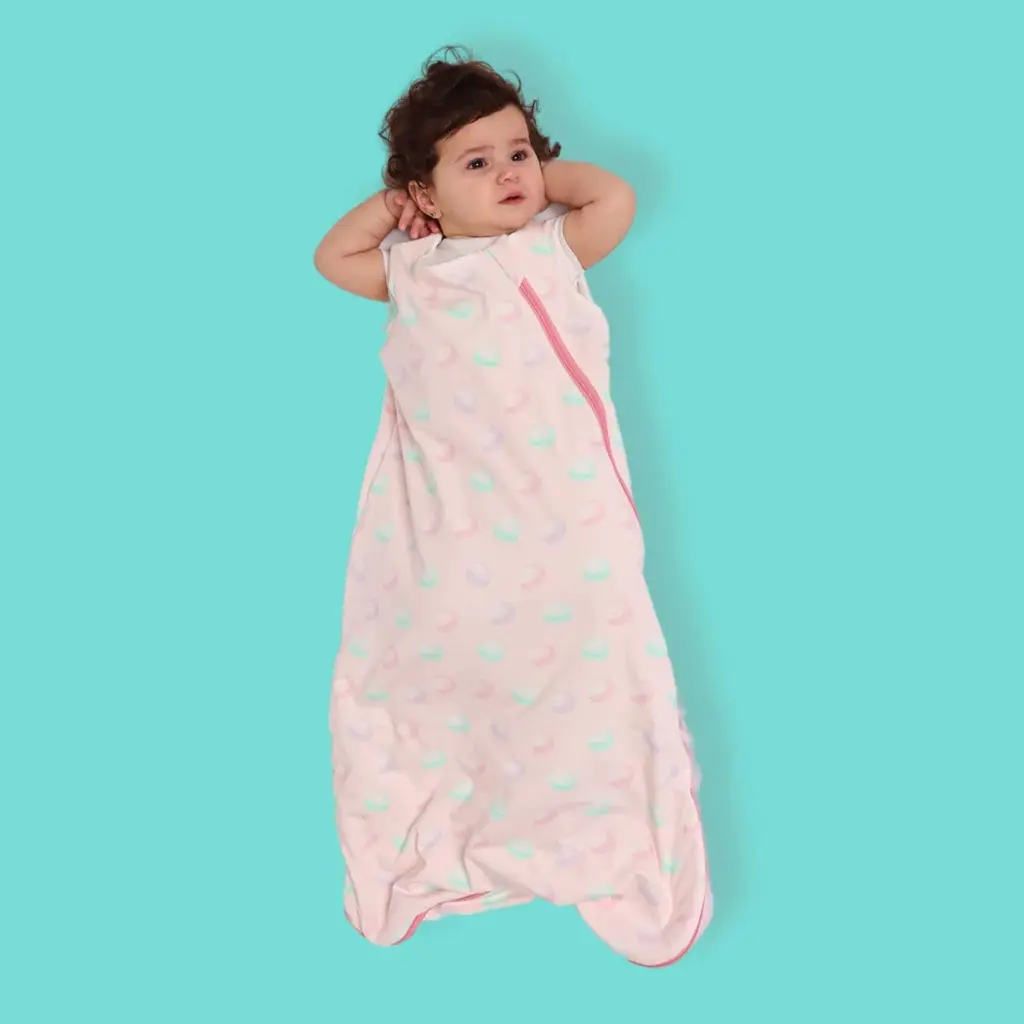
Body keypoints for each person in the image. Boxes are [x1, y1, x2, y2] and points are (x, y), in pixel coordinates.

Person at [314, 46, 710, 967]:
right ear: (426, 190)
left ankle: (586, 811)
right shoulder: (413, 269)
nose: (508, 174)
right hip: (448, 517)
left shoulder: (551, 248)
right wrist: (398, 208)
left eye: (520, 153)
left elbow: (613, 197)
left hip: (559, 513)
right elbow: (332, 257)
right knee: (437, 667)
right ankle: (467, 805)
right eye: (477, 162)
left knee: (587, 650)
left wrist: (539, 174)